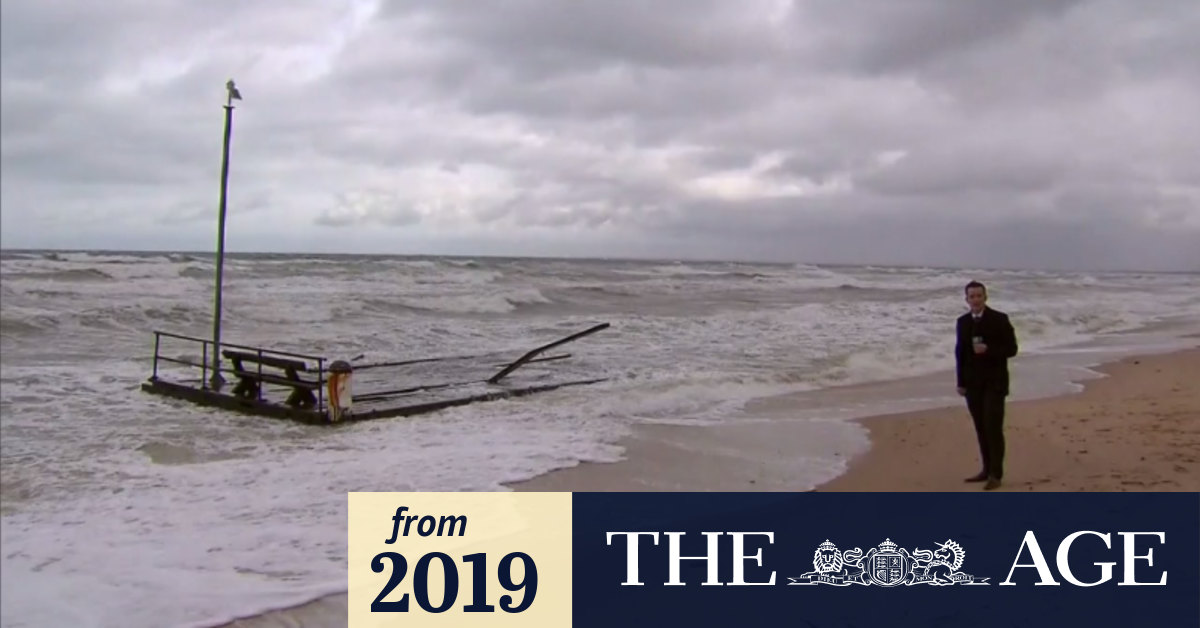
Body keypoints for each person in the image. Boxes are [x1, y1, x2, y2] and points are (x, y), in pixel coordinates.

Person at [955, 280, 1018, 490]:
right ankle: (985, 469)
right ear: (966, 299)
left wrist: (988, 350)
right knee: (980, 427)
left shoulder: (999, 319)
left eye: (979, 296)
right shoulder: (962, 322)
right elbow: (960, 353)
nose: (975, 300)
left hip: (995, 382)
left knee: (993, 427)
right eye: (971, 296)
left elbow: (1012, 349)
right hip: (972, 384)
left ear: (985, 297)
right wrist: (960, 382)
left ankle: (996, 474)